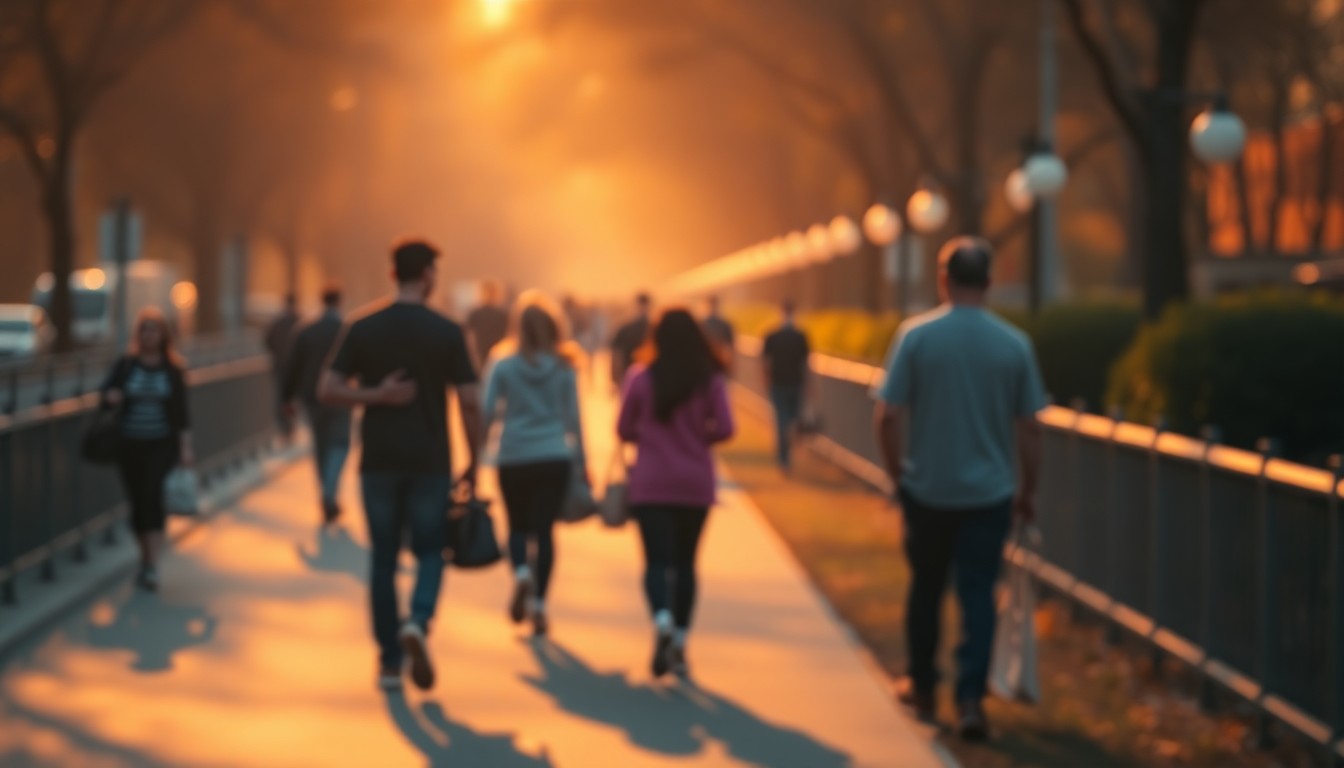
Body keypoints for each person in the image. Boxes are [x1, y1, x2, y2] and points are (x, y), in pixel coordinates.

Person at [873, 236, 1046, 741]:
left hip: (926, 489)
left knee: (925, 589)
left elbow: (888, 415)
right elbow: (1031, 429)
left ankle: (922, 686)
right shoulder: (1014, 345)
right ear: (991, 283)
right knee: (977, 593)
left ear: (943, 279)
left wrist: (895, 474)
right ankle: (971, 700)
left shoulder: (916, 337)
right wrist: (1027, 489)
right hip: (989, 495)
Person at [319, 239, 485, 693]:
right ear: (429, 275)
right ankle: (418, 620)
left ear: (393, 274)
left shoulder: (362, 327)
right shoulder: (448, 331)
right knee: (432, 549)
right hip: (431, 461)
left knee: (384, 558)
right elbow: (470, 401)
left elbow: (328, 389)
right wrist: (475, 460)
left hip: (379, 461)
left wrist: (375, 396)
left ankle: (390, 662)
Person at [616, 309, 734, 679]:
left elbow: (623, 429)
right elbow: (727, 428)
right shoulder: (710, 381)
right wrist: (699, 439)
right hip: (694, 482)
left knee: (655, 563)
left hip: (651, 483)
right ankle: (681, 641)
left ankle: (662, 620)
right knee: (685, 564)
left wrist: (647, 439)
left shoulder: (640, 378)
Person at [483, 291, 586, 638]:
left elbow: (485, 411)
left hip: (513, 455)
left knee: (516, 526)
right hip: (554, 456)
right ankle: (540, 604)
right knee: (544, 532)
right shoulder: (564, 366)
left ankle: (521, 576)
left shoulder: (503, 363)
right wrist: (582, 464)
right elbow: (575, 419)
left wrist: (475, 453)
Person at [99, 307, 194, 592]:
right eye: (144, 329)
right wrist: (111, 397)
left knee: (153, 496)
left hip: (161, 444)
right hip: (129, 445)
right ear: (138, 334)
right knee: (137, 503)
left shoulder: (173, 370)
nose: (148, 334)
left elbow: (181, 413)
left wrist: (185, 447)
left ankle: (152, 564)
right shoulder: (126, 365)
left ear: (163, 334)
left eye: (154, 329)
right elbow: (104, 395)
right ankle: (145, 558)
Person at [282, 284, 352, 525]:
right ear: (340, 301)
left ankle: (325, 490)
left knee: (320, 445)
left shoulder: (306, 330)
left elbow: (292, 366)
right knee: (340, 444)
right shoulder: (347, 328)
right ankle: (329, 492)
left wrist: (286, 398)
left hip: (311, 397)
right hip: (342, 396)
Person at [761, 299, 810, 474]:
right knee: (790, 421)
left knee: (782, 422)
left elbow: (765, 362)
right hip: (793, 383)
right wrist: (809, 384)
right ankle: (786, 457)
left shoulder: (773, 335)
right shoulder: (800, 336)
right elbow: (806, 363)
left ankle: (784, 458)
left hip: (780, 384)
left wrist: (766, 380)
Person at [265, 294, 300, 438]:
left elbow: (267, 340)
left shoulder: (277, 323)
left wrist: (277, 353)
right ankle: (291, 425)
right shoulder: (300, 321)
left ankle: (284, 426)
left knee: (281, 397)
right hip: (297, 367)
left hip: (280, 365)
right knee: (294, 397)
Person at [608, 292, 651, 391]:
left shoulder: (625, 328)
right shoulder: (655, 328)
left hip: (627, 377)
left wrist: (614, 380)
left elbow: (616, 356)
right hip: (650, 380)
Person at [465, 280, 510, 369]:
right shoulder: (503, 314)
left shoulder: (475, 314)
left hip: (481, 355)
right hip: (499, 355)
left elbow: (469, 338)